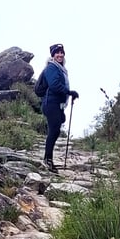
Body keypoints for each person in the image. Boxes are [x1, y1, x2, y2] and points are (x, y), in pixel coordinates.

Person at [41, 43, 79, 172]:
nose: (60, 55)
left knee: (56, 130)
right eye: (57, 52)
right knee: (54, 131)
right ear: (53, 55)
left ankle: (48, 159)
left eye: (62, 52)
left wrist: (68, 95)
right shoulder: (52, 67)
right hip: (51, 103)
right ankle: (47, 160)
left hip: (56, 104)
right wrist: (69, 92)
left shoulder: (61, 69)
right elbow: (54, 85)